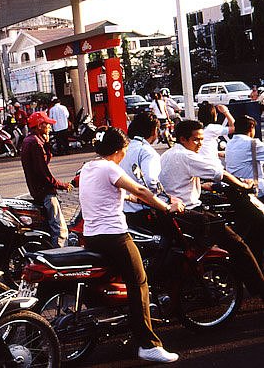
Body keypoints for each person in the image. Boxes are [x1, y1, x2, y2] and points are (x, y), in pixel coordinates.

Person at [79, 126, 183, 363]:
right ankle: (148, 344)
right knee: (140, 283)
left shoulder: (89, 166)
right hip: (114, 236)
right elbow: (139, 188)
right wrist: (166, 207)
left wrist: (137, 198)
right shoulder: (109, 167)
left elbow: (121, 193)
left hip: (92, 236)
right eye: (124, 150)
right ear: (119, 150)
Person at [159, 120, 264, 300]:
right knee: (238, 245)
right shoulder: (187, 156)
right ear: (183, 139)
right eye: (196, 140)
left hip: (173, 213)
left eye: (201, 139)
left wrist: (206, 186)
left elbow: (181, 179)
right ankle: (260, 289)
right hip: (191, 214)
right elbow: (220, 173)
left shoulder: (168, 154)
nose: (200, 143)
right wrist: (244, 186)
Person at [20, 111, 72, 248]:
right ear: (39, 125)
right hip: (45, 191)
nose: (49, 127)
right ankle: (61, 255)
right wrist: (62, 185)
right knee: (60, 229)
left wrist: (46, 143)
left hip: (36, 189)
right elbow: (44, 174)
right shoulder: (36, 143)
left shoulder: (29, 140)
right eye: (47, 124)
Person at [223, 114, 264, 265]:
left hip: (235, 191)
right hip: (252, 193)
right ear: (251, 128)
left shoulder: (231, 143)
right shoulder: (252, 144)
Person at [120, 112, 163, 225]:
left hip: (122, 210)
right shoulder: (147, 152)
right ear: (154, 130)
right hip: (142, 211)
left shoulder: (123, 149)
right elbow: (151, 182)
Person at [197, 100, 235, 167]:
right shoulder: (212, 128)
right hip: (211, 165)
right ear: (213, 115)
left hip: (199, 163)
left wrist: (217, 153)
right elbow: (234, 128)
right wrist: (226, 112)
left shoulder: (197, 128)